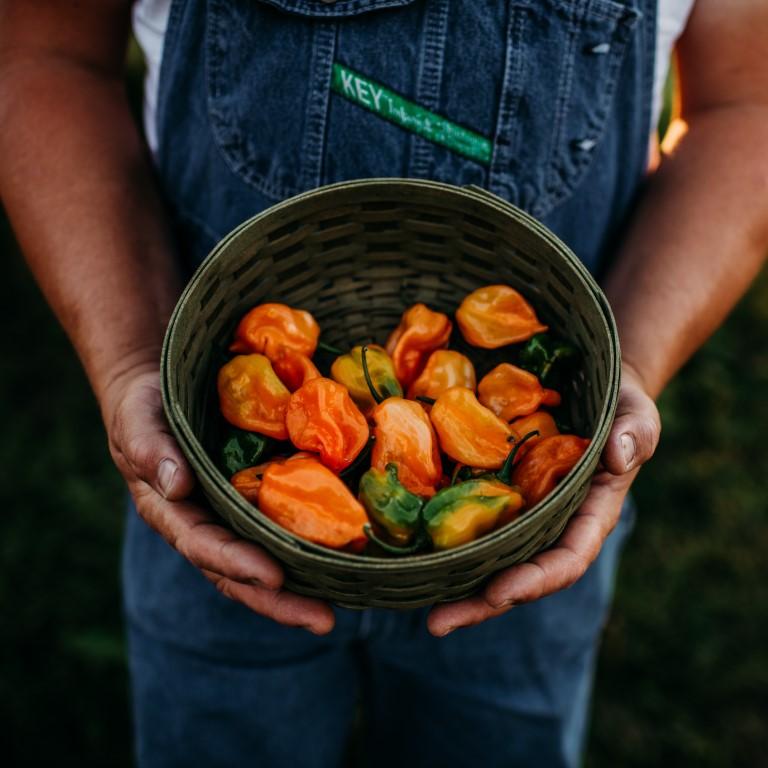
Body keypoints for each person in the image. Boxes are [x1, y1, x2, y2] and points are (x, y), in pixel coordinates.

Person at [1, 1, 766, 765]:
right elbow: (43, 53)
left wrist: (626, 365)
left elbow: (748, 104)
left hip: (532, 548)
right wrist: (135, 359)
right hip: (209, 510)